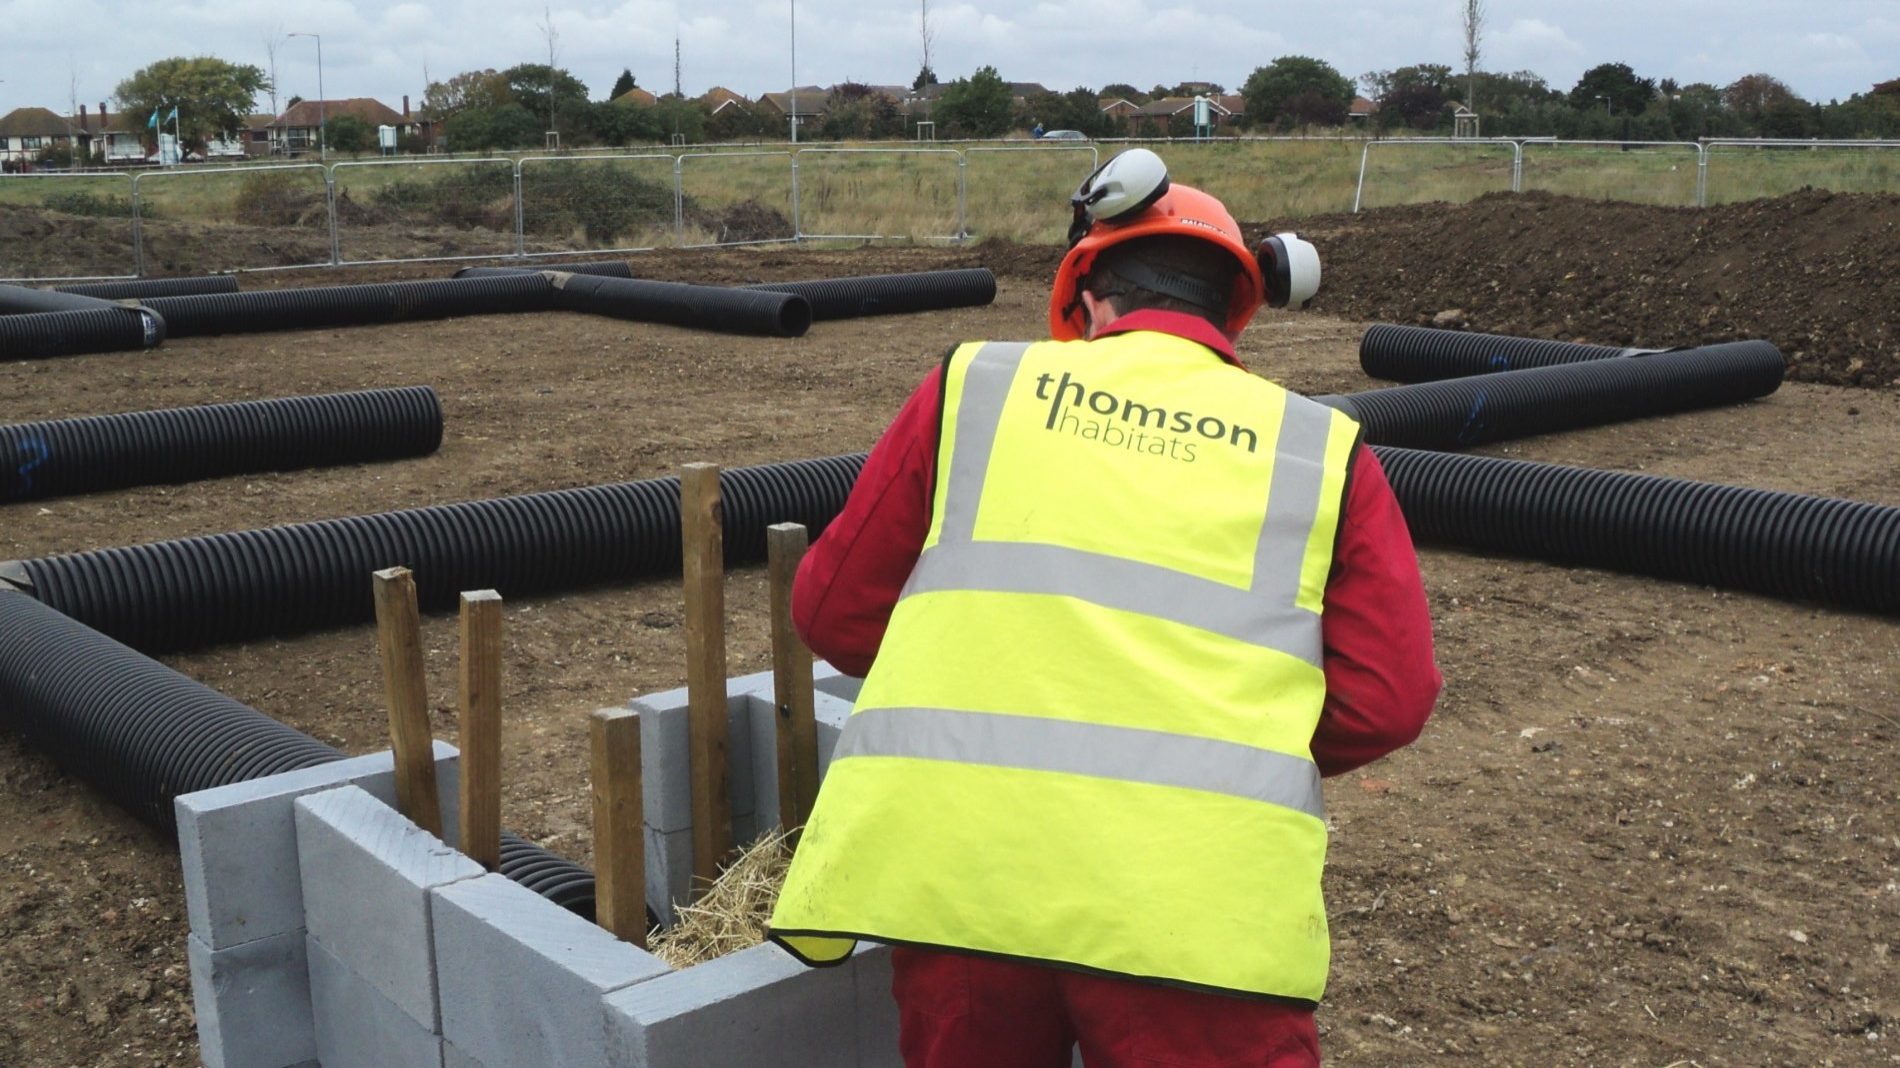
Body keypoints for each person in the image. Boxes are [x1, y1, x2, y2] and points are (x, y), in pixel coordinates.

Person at [767, 148, 1440, 1068]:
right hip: (1195, 901)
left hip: (969, 874)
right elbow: (1387, 699)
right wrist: (1216, 733)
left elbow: (835, 612)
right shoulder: (1318, 449)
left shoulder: (978, 390)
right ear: (1234, 310)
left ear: (1087, 296)